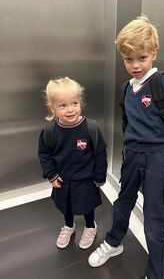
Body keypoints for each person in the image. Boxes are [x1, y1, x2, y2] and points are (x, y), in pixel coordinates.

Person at [88, 15, 164, 279]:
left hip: (160, 159)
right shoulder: (127, 88)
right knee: (122, 202)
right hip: (133, 156)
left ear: (154, 54)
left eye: (142, 58)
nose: (135, 65)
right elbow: (129, 121)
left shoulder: (163, 84)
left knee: (154, 218)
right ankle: (115, 241)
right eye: (129, 59)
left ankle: (157, 272)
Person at [38, 77, 107, 250]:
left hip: (86, 180)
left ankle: (90, 226)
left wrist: (99, 177)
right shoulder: (49, 132)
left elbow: (100, 153)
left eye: (74, 103)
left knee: (87, 206)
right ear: (52, 108)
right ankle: (69, 226)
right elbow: (44, 154)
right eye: (62, 105)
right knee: (66, 206)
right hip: (63, 180)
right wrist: (51, 174)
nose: (70, 110)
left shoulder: (90, 128)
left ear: (80, 102)